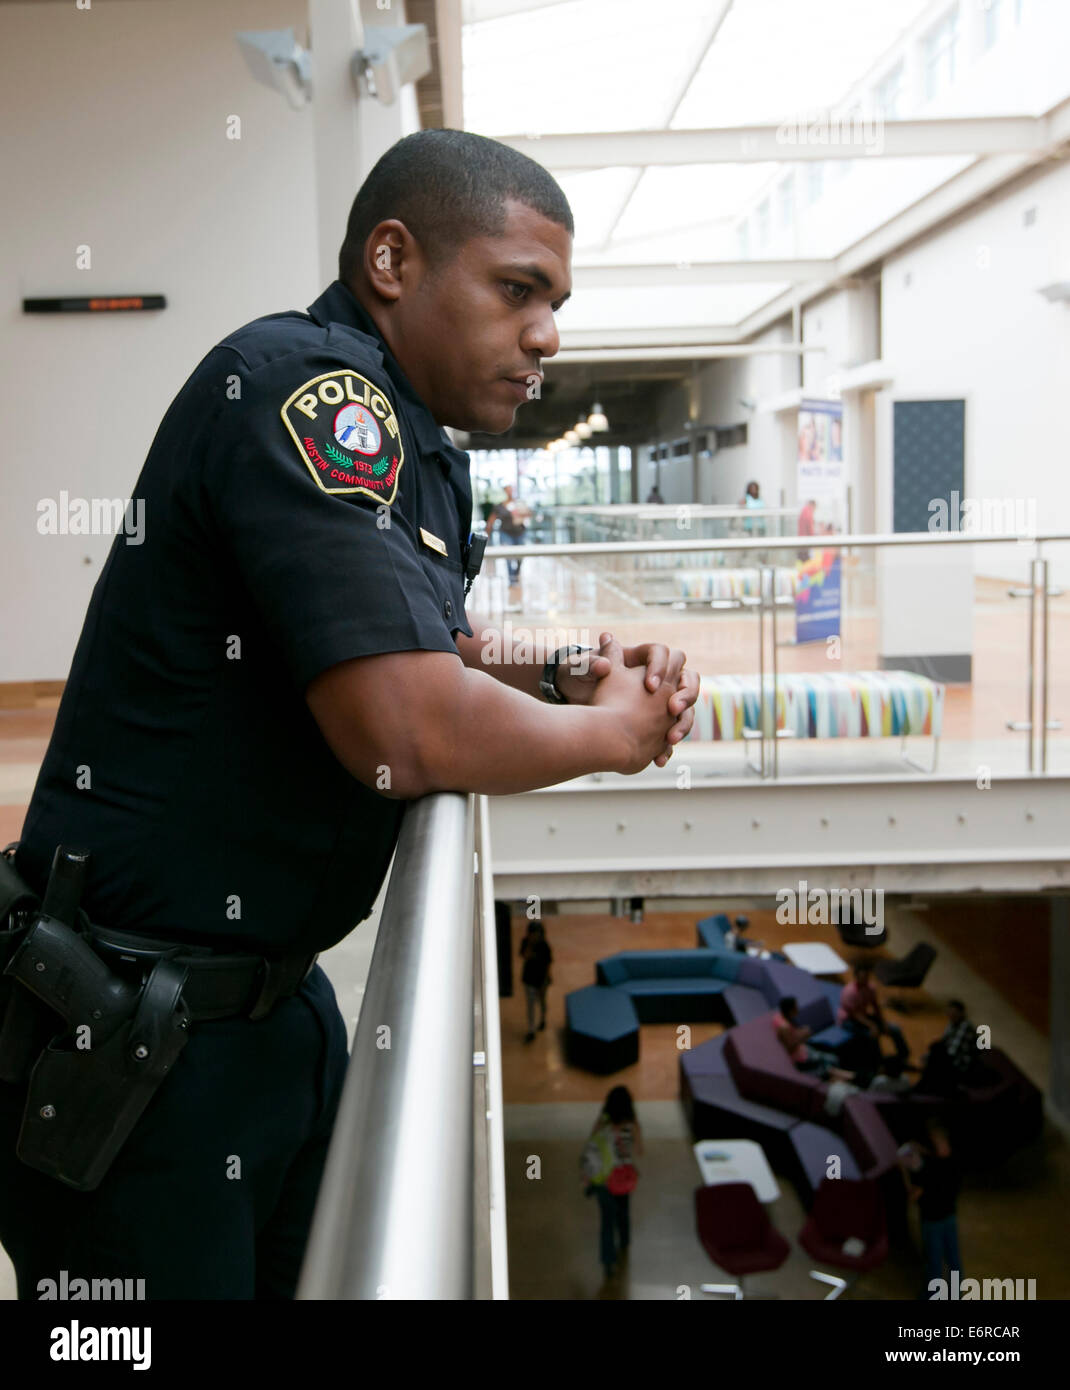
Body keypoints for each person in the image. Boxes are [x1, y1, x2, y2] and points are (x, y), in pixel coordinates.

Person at [0, 128, 702, 1301]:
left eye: (556, 302)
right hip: (133, 1046)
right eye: (516, 289)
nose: (547, 334)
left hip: (270, 1009)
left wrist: (563, 667)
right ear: (391, 259)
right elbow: (405, 730)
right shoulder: (309, 396)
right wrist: (614, 736)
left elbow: (431, 642)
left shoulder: (419, 443)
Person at [581, 1086, 643, 1280]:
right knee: (623, 1211)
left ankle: (608, 1260)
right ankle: (624, 1241)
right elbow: (639, 1150)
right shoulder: (632, 1124)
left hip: (604, 1179)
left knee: (606, 1221)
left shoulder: (603, 1122)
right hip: (622, 1177)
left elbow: (591, 1144)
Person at [905, 1118, 964, 1298]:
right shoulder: (954, 1162)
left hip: (932, 1220)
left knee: (934, 1261)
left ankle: (932, 1294)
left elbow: (915, 1195)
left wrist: (906, 1173)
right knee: (953, 1259)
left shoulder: (929, 1168)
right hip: (949, 1216)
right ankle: (955, 1293)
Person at [837, 962, 910, 1072]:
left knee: (895, 1029)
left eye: (867, 977)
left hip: (864, 1017)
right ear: (856, 977)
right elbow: (854, 1014)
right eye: (863, 977)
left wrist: (883, 1022)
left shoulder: (870, 988)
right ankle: (878, 1064)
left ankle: (903, 1058)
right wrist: (872, 1026)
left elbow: (875, 1006)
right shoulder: (850, 992)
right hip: (849, 1020)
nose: (865, 980)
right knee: (871, 1036)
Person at [773, 997, 855, 1083]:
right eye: (795, 1008)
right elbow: (789, 1047)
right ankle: (851, 1079)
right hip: (801, 1059)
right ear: (790, 1010)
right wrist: (803, 1036)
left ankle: (851, 1076)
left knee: (830, 1058)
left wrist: (800, 1033)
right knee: (829, 1064)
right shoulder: (784, 1027)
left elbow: (790, 1036)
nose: (797, 1010)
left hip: (804, 1050)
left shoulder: (779, 1016)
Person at [488, 484, 532, 584]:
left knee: (520, 557)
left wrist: (521, 513)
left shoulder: (519, 503)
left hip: (520, 533)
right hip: (505, 534)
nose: (510, 492)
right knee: (508, 557)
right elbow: (491, 520)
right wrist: (488, 534)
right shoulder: (499, 506)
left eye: (511, 490)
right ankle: (512, 580)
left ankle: (516, 574)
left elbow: (529, 513)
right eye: (508, 490)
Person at [519, 920, 552, 1042]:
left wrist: (547, 979)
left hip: (542, 979)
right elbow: (524, 955)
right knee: (531, 1005)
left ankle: (543, 1019)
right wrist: (530, 944)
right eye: (532, 933)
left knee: (542, 1001)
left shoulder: (544, 945)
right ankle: (531, 1029)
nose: (535, 936)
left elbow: (549, 963)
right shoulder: (525, 942)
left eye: (537, 933)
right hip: (529, 979)